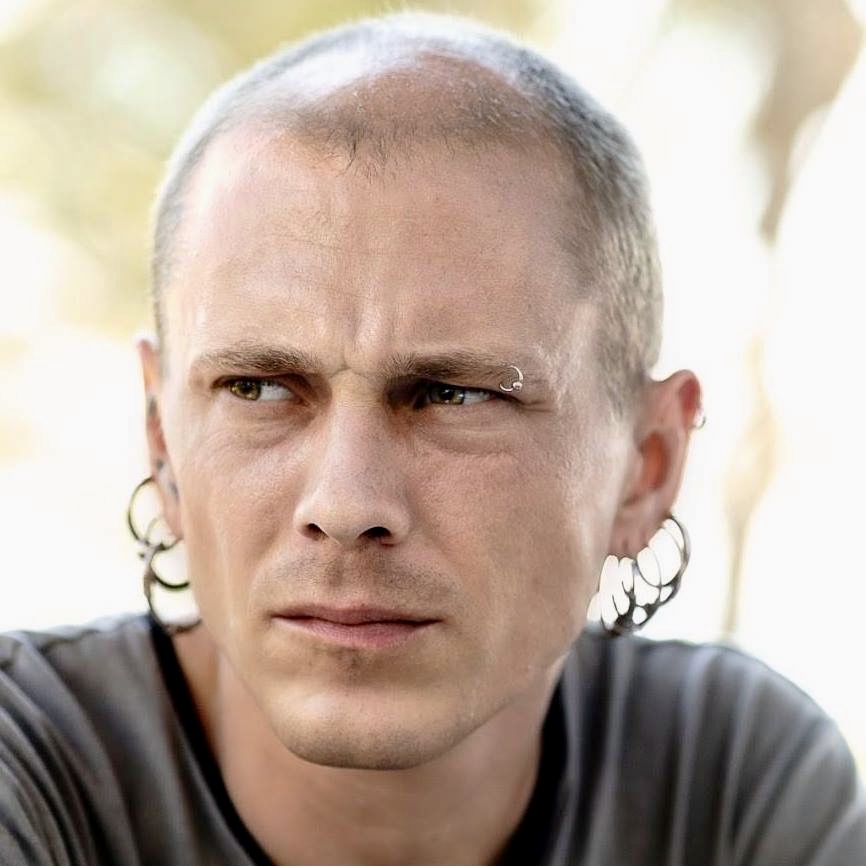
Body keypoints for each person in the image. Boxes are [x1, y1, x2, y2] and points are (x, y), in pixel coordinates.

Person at [1, 11, 864, 866]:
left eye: (455, 395)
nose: (346, 505)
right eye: (258, 388)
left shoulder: (734, 783)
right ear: (163, 445)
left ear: (646, 466)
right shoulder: (29, 775)